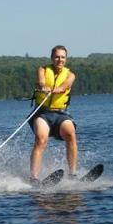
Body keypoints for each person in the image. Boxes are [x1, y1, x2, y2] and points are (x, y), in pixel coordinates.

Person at [29, 45, 78, 183]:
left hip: (61, 114)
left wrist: (57, 89)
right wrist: (43, 86)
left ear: (66, 59)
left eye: (63, 57)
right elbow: (41, 81)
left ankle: (73, 174)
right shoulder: (42, 70)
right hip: (42, 113)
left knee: (70, 133)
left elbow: (64, 86)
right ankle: (33, 178)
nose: (60, 59)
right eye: (57, 57)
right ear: (52, 58)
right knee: (41, 139)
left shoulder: (70, 75)